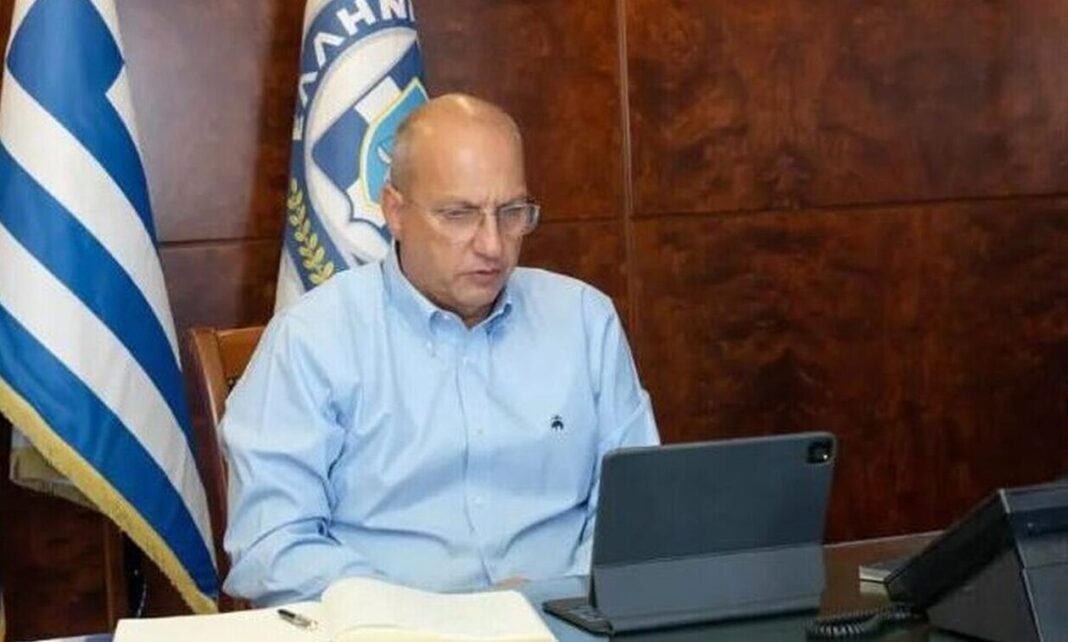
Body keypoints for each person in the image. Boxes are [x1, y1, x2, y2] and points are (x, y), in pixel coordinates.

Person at [221, 94, 659, 606]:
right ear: (395, 211)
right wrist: (438, 617)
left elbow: (638, 510)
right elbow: (272, 545)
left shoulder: (584, 320)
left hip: (568, 623)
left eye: (512, 213)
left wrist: (561, 598)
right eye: (459, 214)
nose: (493, 245)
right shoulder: (313, 338)